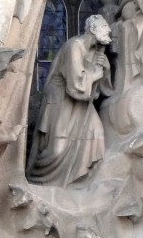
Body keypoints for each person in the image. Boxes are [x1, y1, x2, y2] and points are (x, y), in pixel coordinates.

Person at [26, 15, 113, 186]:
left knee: (96, 133)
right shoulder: (74, 45)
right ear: (93, 29)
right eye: (104, 27)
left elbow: (98, 87)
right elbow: (75, 82)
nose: (108, 30)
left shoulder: (96, 51)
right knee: (58, 150)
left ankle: (83, 182)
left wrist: (106, 68)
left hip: (82, 100)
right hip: (61, 97)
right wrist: (95, 74)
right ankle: (38, 181)